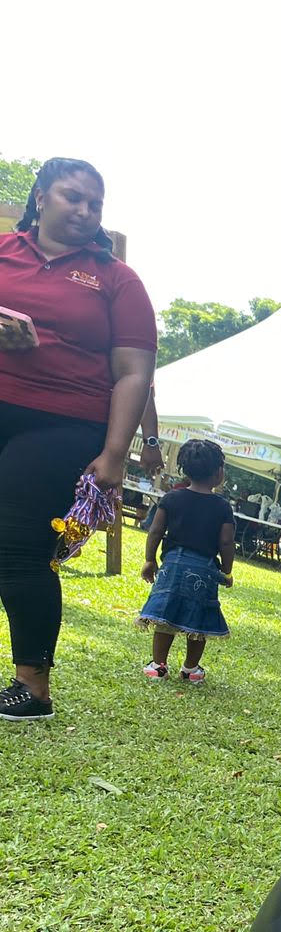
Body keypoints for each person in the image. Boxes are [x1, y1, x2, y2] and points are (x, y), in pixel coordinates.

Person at [0, 159, 156, 721]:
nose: (86, 211)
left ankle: (32, 686)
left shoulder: (116, 279)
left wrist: (114, 455)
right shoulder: (4, 251)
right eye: (73, 198)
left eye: (96, 204)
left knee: (18, 548)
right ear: (40, 197)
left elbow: (135, 373)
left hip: (61, 423)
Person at [138, 439, 235, 684]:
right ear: (219, 473)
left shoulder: (172, 498)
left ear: (185, 470)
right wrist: (226, 570)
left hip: (172, 564)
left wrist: (149, 560)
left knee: (165, 614)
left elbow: (155, 531)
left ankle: (158, 665)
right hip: (204, 568)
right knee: (198, 619)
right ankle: (190, 669)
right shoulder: (222, 506)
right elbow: (226, 542)